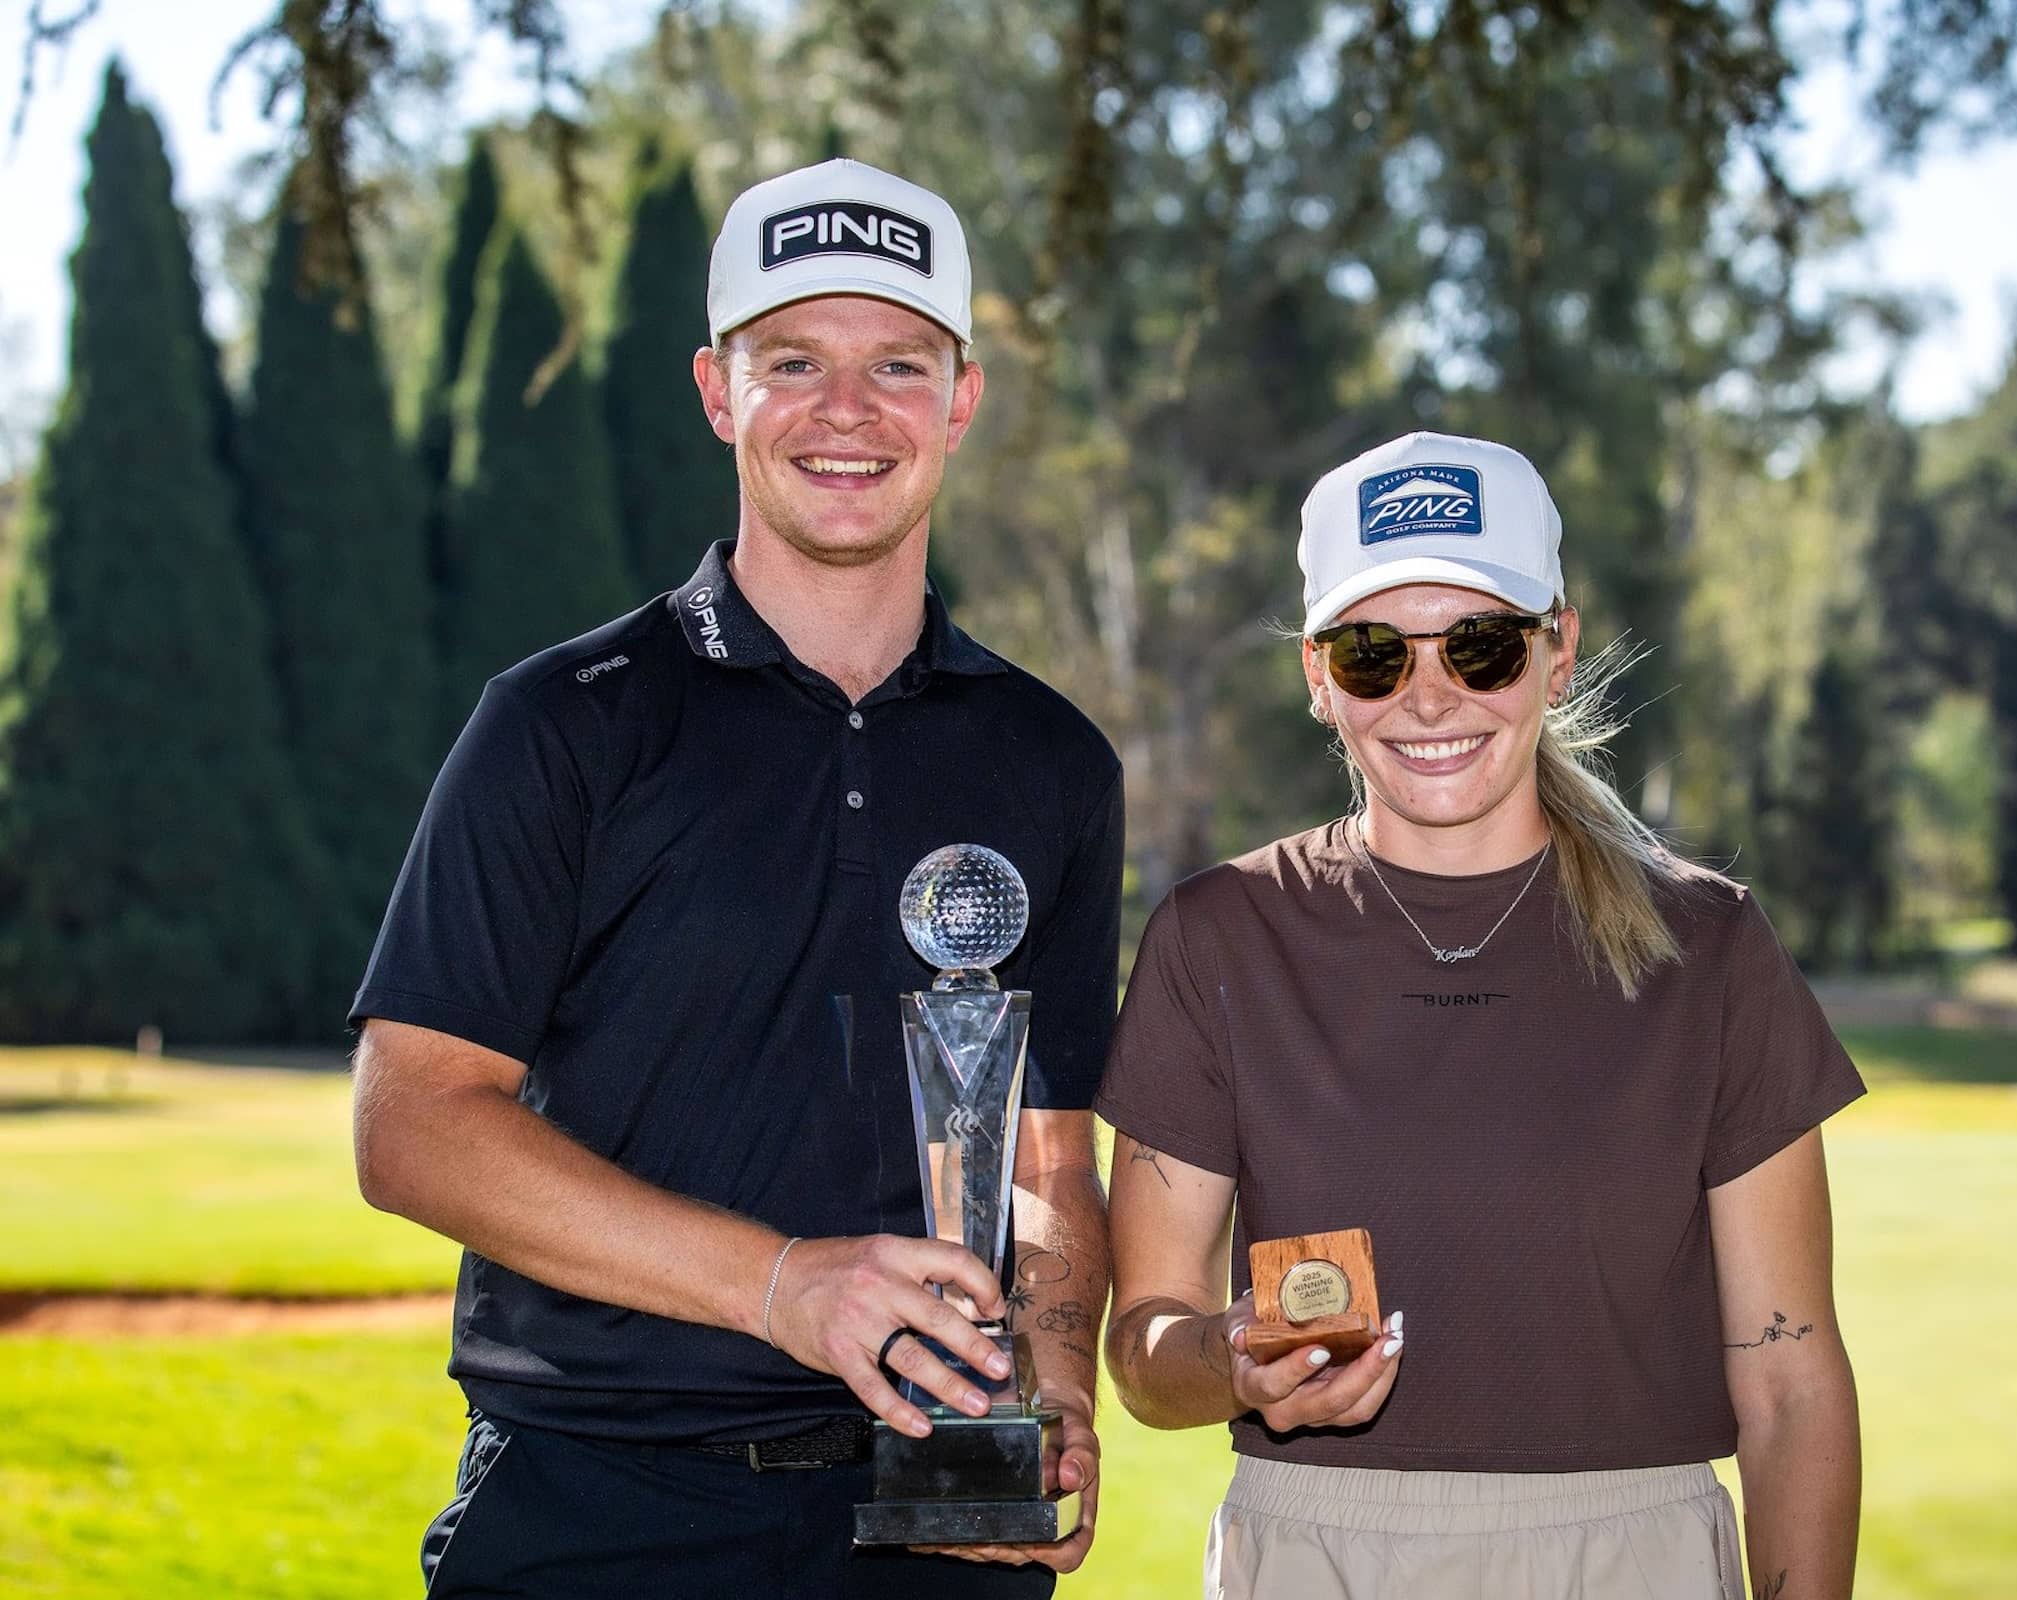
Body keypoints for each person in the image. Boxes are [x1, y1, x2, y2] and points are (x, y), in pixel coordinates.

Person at [351, 158, 1120, 1597]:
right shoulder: (564, 721)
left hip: (937, 1513)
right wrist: (787, 1289)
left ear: (962, 398)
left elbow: (1051, 1155)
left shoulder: (1054, 761)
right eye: (793, 362)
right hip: (602, 1506)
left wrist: (1060, 1381)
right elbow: (411, 1125)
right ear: (719, 393)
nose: (848, 411)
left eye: (899, 362)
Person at [1097, 432, 1864, 1599]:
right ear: (1318, 675)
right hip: (1313, 1557)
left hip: (1636, 1559)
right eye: (1373, 653)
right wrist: (1236, 1361)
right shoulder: (1216, 938)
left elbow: (1793, 1380)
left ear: (1556, 653)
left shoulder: (1709, 948)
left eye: (1482, 644)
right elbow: (1147, 1346)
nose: (1430, 696)